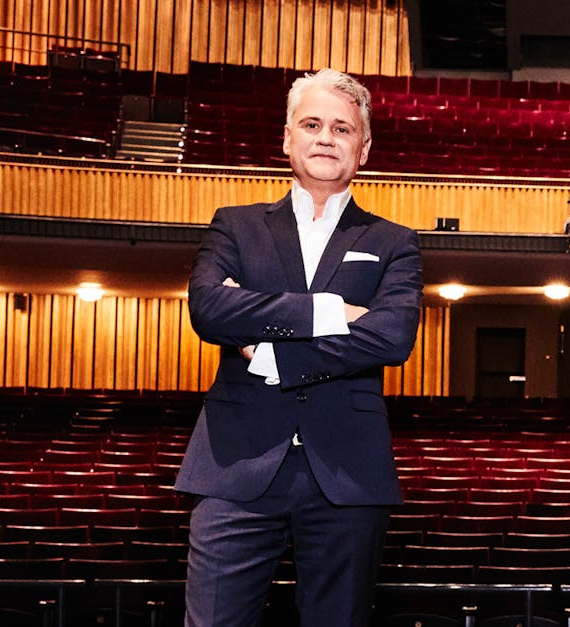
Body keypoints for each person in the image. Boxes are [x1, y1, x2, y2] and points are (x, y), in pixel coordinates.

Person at [176, 68, 422, 627]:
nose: (326, 137)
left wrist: (268, 353)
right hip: (234, 466)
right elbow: (210, 309)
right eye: (311, 124)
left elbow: (390, 335)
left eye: (342, 127)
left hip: (348, 471)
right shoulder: (235, 227)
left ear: (364, 148)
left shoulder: (394, 242)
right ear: (288, 138)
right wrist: (329, 311)